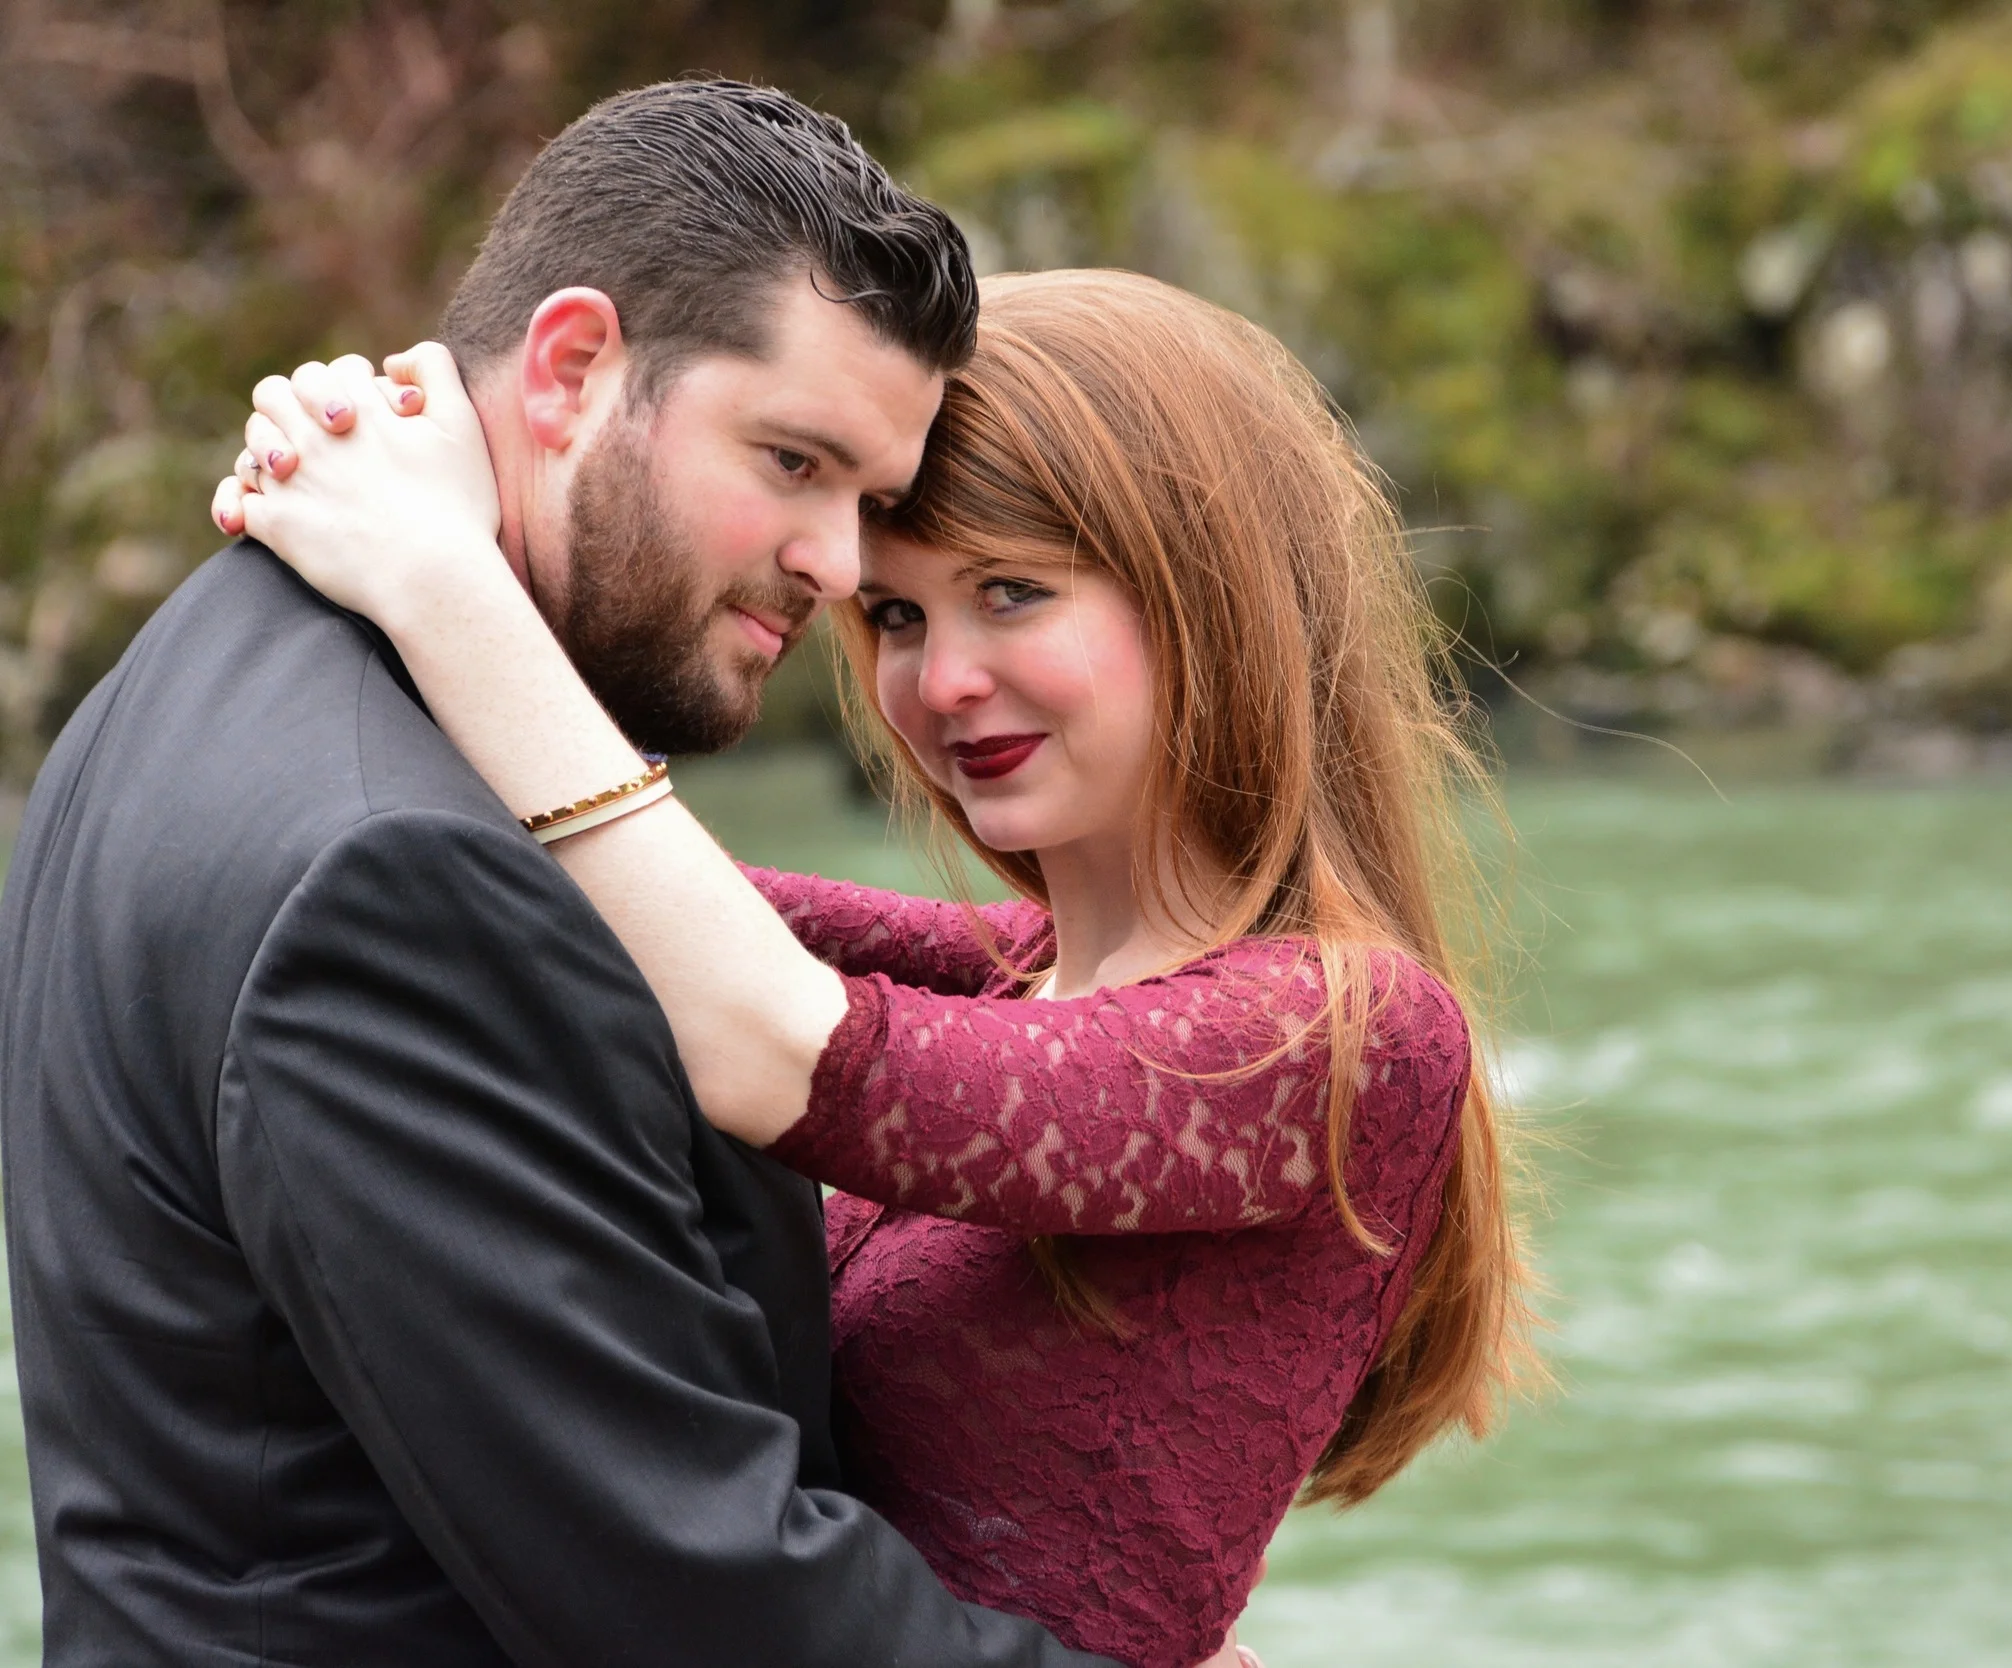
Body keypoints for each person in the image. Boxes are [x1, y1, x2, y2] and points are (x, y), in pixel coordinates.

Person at [219, 268, 1541, 1667]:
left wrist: (436, 576)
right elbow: (612, 894)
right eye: (899, 619)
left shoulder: (1344, 1031)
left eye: (1012, 595)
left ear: (1209, 598)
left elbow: (785, 1049)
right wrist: (413, 452)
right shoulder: (1011, 972)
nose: (944, 681)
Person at [0, 78, 1137, 1668]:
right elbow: (693, 1598)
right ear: (575, 367)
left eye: (869, 503)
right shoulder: (399, 879)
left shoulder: (181, 679)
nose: (839, 564)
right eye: (795, 462)